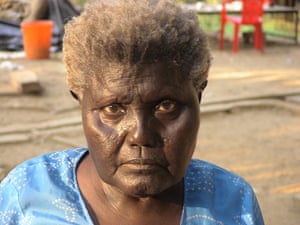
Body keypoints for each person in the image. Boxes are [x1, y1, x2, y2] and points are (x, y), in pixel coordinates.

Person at [0, 0, 265, 224]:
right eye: (113, 108)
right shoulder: (25, 196)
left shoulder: (233, 204)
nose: (141, 134)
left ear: (198, 97)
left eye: (166, 106)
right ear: (80, 102)